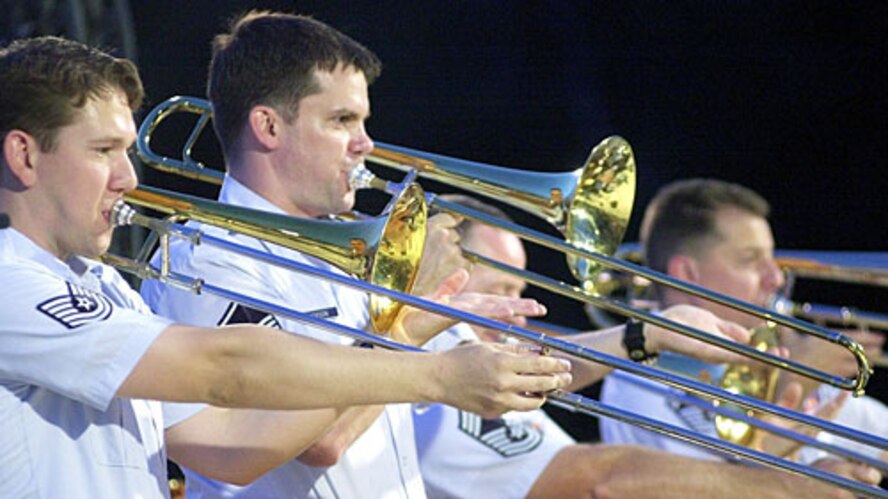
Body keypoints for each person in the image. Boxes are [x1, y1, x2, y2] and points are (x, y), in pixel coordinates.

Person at [137, 10, 788, 498]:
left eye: (364, 121)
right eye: (341, 121)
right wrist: (408, 315)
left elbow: (501, 377)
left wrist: (643, 335)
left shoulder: (350, 248)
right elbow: (316, 441)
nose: (366, 143)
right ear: (268, 126)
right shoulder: (207, 258)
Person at [0, 35, 575, 499]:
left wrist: (406, 329)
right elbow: (228, 368)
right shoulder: (10, 278)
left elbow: (229, 444)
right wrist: (435, 371)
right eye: (103, 152)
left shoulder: (101, 285)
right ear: (24, 155)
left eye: (127, 150)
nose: (128, 177)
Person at [413, 193, 882, 498]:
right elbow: (605, 481)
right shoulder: (432, 382)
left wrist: (642, 335)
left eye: (519, 291)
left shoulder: (491, 382)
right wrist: (786, 484)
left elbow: (553, 373)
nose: (776, 278)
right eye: (503, 289)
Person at [599, 178, 888, 463]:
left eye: (772, 258)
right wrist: (791, 384)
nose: (775, 278)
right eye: (750, 260)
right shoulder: (638, 381)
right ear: (686, 274)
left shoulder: (769, 351)